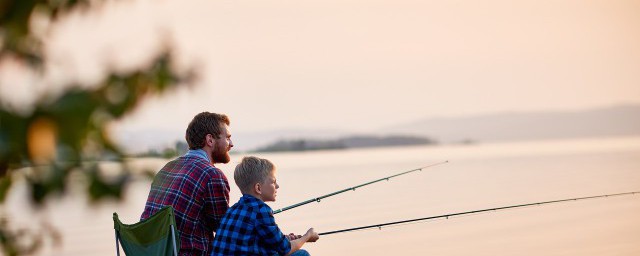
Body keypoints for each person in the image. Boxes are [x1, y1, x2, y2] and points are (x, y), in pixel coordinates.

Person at [141, 112, 234, 256]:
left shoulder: (167, 168)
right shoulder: (212, 175)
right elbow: (225, 230)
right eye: (227, 138)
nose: (231, 144)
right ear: (210, 140)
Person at [211, 156, 319, 256]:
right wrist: (307, 236)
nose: (277, 186)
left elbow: (255, 239)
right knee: (302, 254)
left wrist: (285, 239)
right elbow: (285, 249)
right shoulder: (261, 210)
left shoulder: (233, 209)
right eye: (273, 182)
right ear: (258, 188)